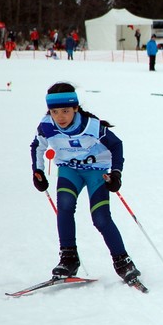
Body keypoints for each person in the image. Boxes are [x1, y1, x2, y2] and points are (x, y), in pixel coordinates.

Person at [30, 82, 142, 285]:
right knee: (64, 207)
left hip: (96, 171)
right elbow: (38, 146)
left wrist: (116, 174)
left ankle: (123, 261)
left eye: (65, 111)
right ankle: (69, 259)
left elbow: (116, 145)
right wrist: (37, 171)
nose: (60, 117)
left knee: (100, 217)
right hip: (69, 170)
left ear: (75, 108)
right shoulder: (46, 125)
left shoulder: (91, 126)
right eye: (55, 112)